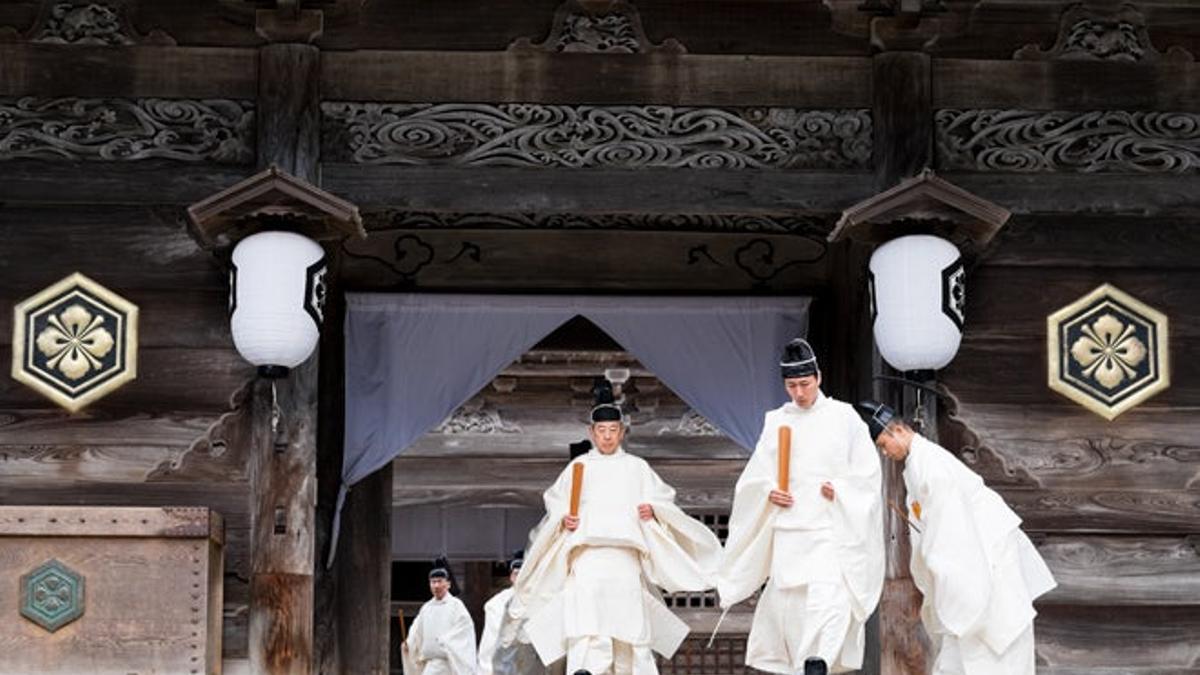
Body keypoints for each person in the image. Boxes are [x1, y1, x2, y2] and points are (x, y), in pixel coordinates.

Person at [509, 380, 722, 675]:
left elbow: (662, 502)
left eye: (613, 431)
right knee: (587, 629)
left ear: (621, 432)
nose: (607, 437)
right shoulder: (577, 468)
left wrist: (654, 513)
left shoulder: (637, 468)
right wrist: (563, 521)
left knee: (630, 633)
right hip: (588, 559)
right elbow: (555, 506)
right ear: (591, 432)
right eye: (601, 431)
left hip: (624, 560)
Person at [716, 338, 884, 675]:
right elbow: (754, 478)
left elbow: (867, 474)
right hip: (790, 530)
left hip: (829, 529)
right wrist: (767, 492)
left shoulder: (844, 417)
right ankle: (801, 664)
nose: (799, 392)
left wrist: (840, 489)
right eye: (792, 386)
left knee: (830, 598)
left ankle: (817, 661)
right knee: (792, 606)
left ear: (818, 378)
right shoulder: (776, 421)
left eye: (804, 384)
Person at [857, 400, 1057, 675]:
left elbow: (948, 531)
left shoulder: (930, 465)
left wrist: (939, 568)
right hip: (973, 566)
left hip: (987, 564)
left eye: (883, 444)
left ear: (899, 431)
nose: (884, 452)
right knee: (960, 653)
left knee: (991, 640)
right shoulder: (919, 463)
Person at [402, 560, 477, 675]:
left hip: (449, 663)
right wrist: (409, 643)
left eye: (440, 581)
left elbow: (464, 631)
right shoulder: (426, 608)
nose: (436, 585)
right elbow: (417, 632)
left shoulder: (456, 606)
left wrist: (446, 641)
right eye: (433, 582)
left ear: (448, 584)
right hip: (431, 663)